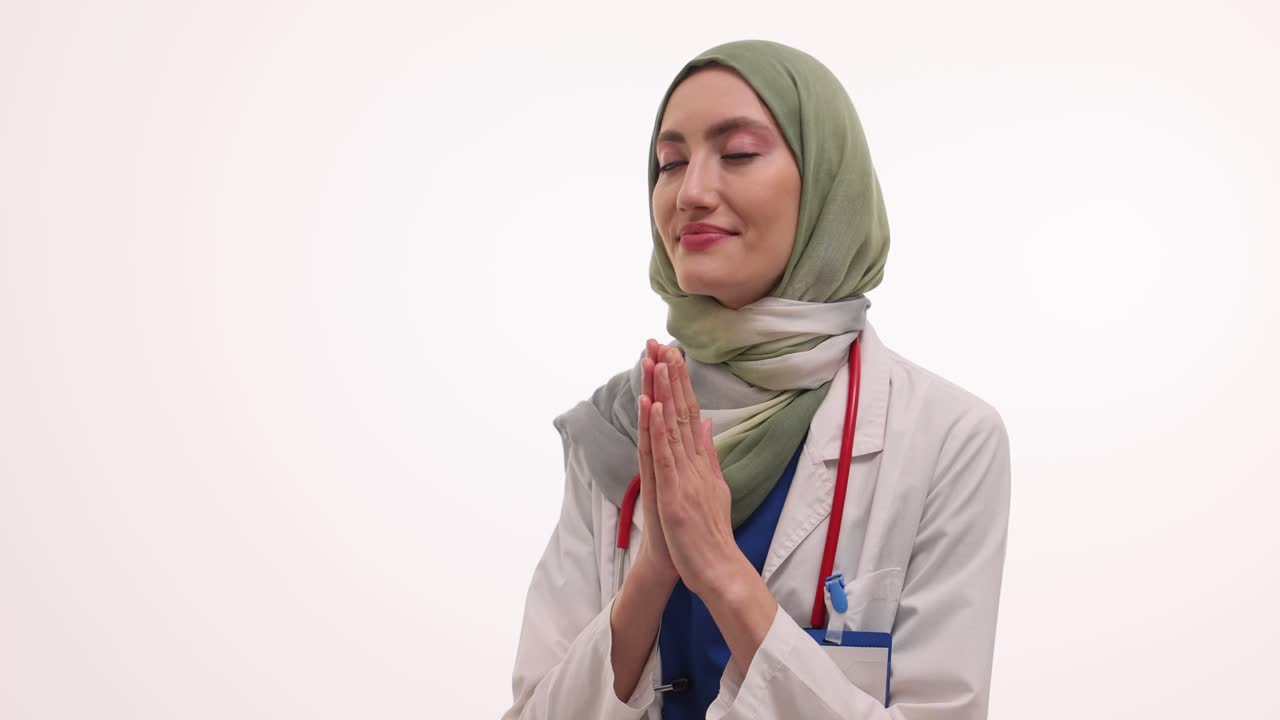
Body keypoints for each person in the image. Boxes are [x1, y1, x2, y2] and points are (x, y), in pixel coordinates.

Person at [501, 39, 1011, 720]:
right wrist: (653, 570)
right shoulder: (617, 429)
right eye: (670, 163)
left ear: (830, 183)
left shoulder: (947, 440)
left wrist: (718, 568)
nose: (691, 193)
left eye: (737, 153)